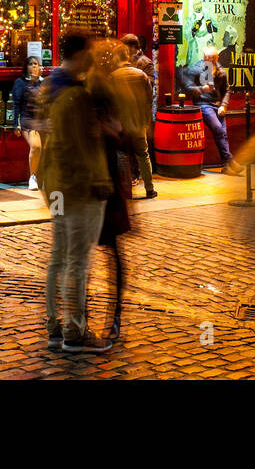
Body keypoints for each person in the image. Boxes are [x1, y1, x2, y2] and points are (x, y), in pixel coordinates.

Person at [37, 33, 113, 353]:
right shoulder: (76, 96)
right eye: (90, 53)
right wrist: (100, 183)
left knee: (58, 257)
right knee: (78, 262)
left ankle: (54, 324)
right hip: (79, 188)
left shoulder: (48, 88)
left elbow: (44, 141)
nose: (93, 58)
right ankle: (75, 330)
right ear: (80, 53)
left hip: (55, 186)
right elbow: (82, 148)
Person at [90, 40, 136, 340]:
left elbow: (128, 135)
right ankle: (111, 317)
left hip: (104, 184)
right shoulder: (97, 91)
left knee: (99, 253)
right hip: (102, 183)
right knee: (108, 254)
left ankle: (111, 316)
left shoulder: (104, 92)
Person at [178, 46, 241, 175]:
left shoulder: (220, 70)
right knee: (218, 129)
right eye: (206, 57)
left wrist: (224, 105)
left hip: (217, 105)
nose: (208, 59)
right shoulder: (197, 69)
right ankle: (230, 161)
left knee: (223, 133)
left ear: (216, 57)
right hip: (203, 103)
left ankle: (226, 166)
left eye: (211, 57)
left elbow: (227, 90)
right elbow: (187, 88)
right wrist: (202, 89)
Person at [109, 43, 155, 199]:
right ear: (128, 56)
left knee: (122, 156)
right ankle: (149, 189)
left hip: (120, 125)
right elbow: (150, 98)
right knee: (143, 155)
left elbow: (109, 104)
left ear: (116, 58)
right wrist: (146, 120)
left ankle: (125, 190)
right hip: (138, 123)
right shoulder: (141, 75)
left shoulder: (112, 77)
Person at [11, 56, 45, 191]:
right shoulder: (20, 83)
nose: (34, 66)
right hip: (28, 119)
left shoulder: (43, 83)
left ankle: (44, 176)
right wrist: (16, 124)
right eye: (31, 64)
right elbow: (16, 105)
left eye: (36, 64)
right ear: (26, 67)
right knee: (36, 146)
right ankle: (33, 177)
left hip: (43, 119)